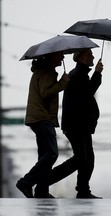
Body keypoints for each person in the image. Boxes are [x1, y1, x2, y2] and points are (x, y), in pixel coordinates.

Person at [47, 48, 103, 198]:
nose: (92, 56)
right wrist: (97, 73)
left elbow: (86, 92)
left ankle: (83, 190)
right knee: (81, 158)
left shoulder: (81, 74)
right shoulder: (77, 75)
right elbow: (88, 92)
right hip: (76, 125)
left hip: (81, 125)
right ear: (80, 57)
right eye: (89, 54)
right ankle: (45, 181)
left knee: (87, 158)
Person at [16, 52, 70, 198]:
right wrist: (63, 83)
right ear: (52, 57)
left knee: (44, 155)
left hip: (39, 117)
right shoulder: (47, 72)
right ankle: (26, 182)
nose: (63, 58)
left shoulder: (43, 71)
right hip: (42, 118)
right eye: (60, 55)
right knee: (52, 154)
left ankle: (41, 190)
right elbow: (46, 93)